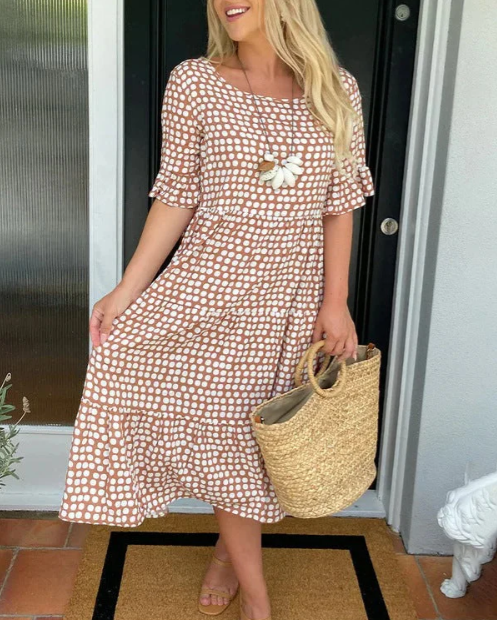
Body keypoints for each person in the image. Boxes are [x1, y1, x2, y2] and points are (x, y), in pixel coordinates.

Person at [58, 0, 375, 619]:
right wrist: (126, 290)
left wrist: (335, 302)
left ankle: (228, 554)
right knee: (224, 439)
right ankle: (257, 597)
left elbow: (340, 205)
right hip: (206, 292)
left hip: (287, 303)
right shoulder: (195, 82)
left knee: (251, 446)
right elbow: (176, 196)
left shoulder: (337, 89)